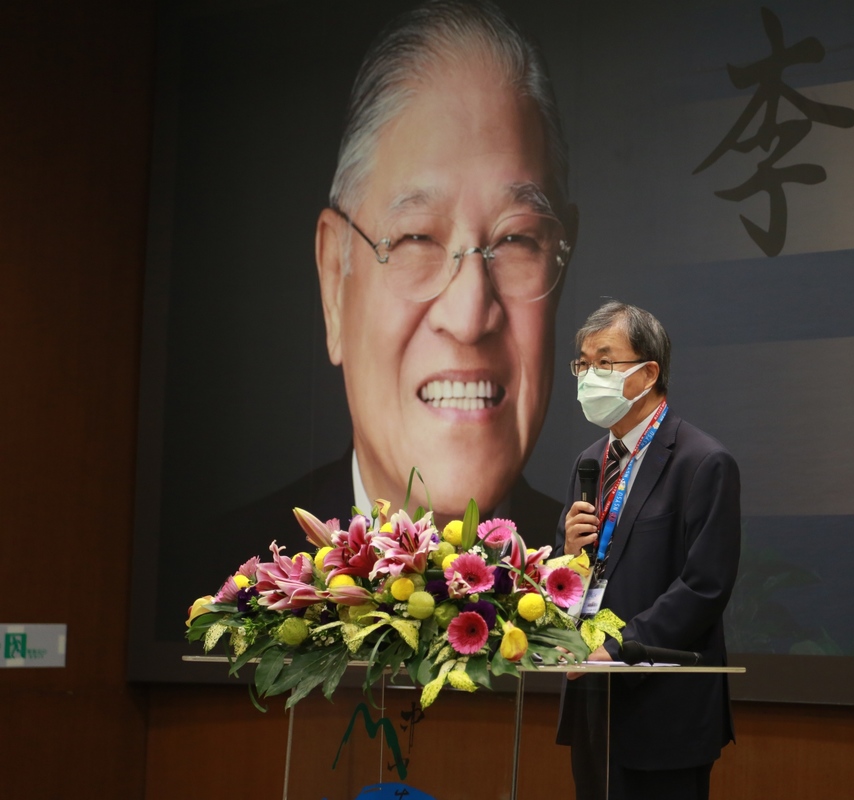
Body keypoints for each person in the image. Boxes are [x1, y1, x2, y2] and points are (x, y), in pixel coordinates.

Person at [212, 0, 574, 572]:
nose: (469, 312)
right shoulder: (216, 585)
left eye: (516, 241)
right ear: (335, 279)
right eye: (415, 239)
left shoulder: (624, 594)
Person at [555, 301, 741, 800]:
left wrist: (618, 648)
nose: (589, 375)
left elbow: (705, 585)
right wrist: (568, 555)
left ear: (648, 371)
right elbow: (583, 575)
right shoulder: (589, 462)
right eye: (583, 362)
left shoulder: (703, 462)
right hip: (594, 696)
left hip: (661, 699)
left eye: (605, 361)